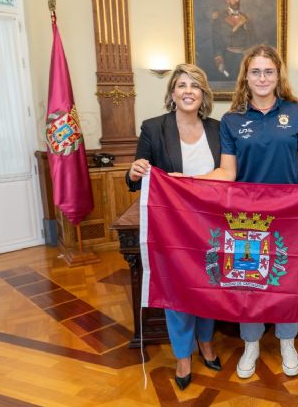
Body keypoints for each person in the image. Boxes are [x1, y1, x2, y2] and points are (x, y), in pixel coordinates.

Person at [199, 44, 298, 379]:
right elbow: (227, 172)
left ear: (278, 76)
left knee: (289, 278)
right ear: (246, 76)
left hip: (291, 213)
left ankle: (288, 341)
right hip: (246, 217)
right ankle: (252, 344)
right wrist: (184, 179)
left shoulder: (297, 113)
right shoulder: (231, 120)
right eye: (255, 71)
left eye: (268, 71)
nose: (262, 78)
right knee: (248, 280)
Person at [126, 63, 222, 391]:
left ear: (203, 94)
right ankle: (183, 354)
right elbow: (139, 178)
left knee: (210, 283)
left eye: (195, 85)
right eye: (182, 85)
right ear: (172, 93)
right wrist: (134, 172)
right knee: (178, 290)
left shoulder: (218, 129)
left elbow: (229, 175)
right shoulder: (154, 128)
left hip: (211, 225)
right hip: (172, 227)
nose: (188, 91)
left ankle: (206, 342)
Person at [211, 0, 256, 81]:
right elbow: (217, 42)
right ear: (227, 0)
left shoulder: (245, 18)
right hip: (228, 58)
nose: (237, 0)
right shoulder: (220, 19)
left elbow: (253, 39)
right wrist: (219, 61)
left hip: (244, 58)